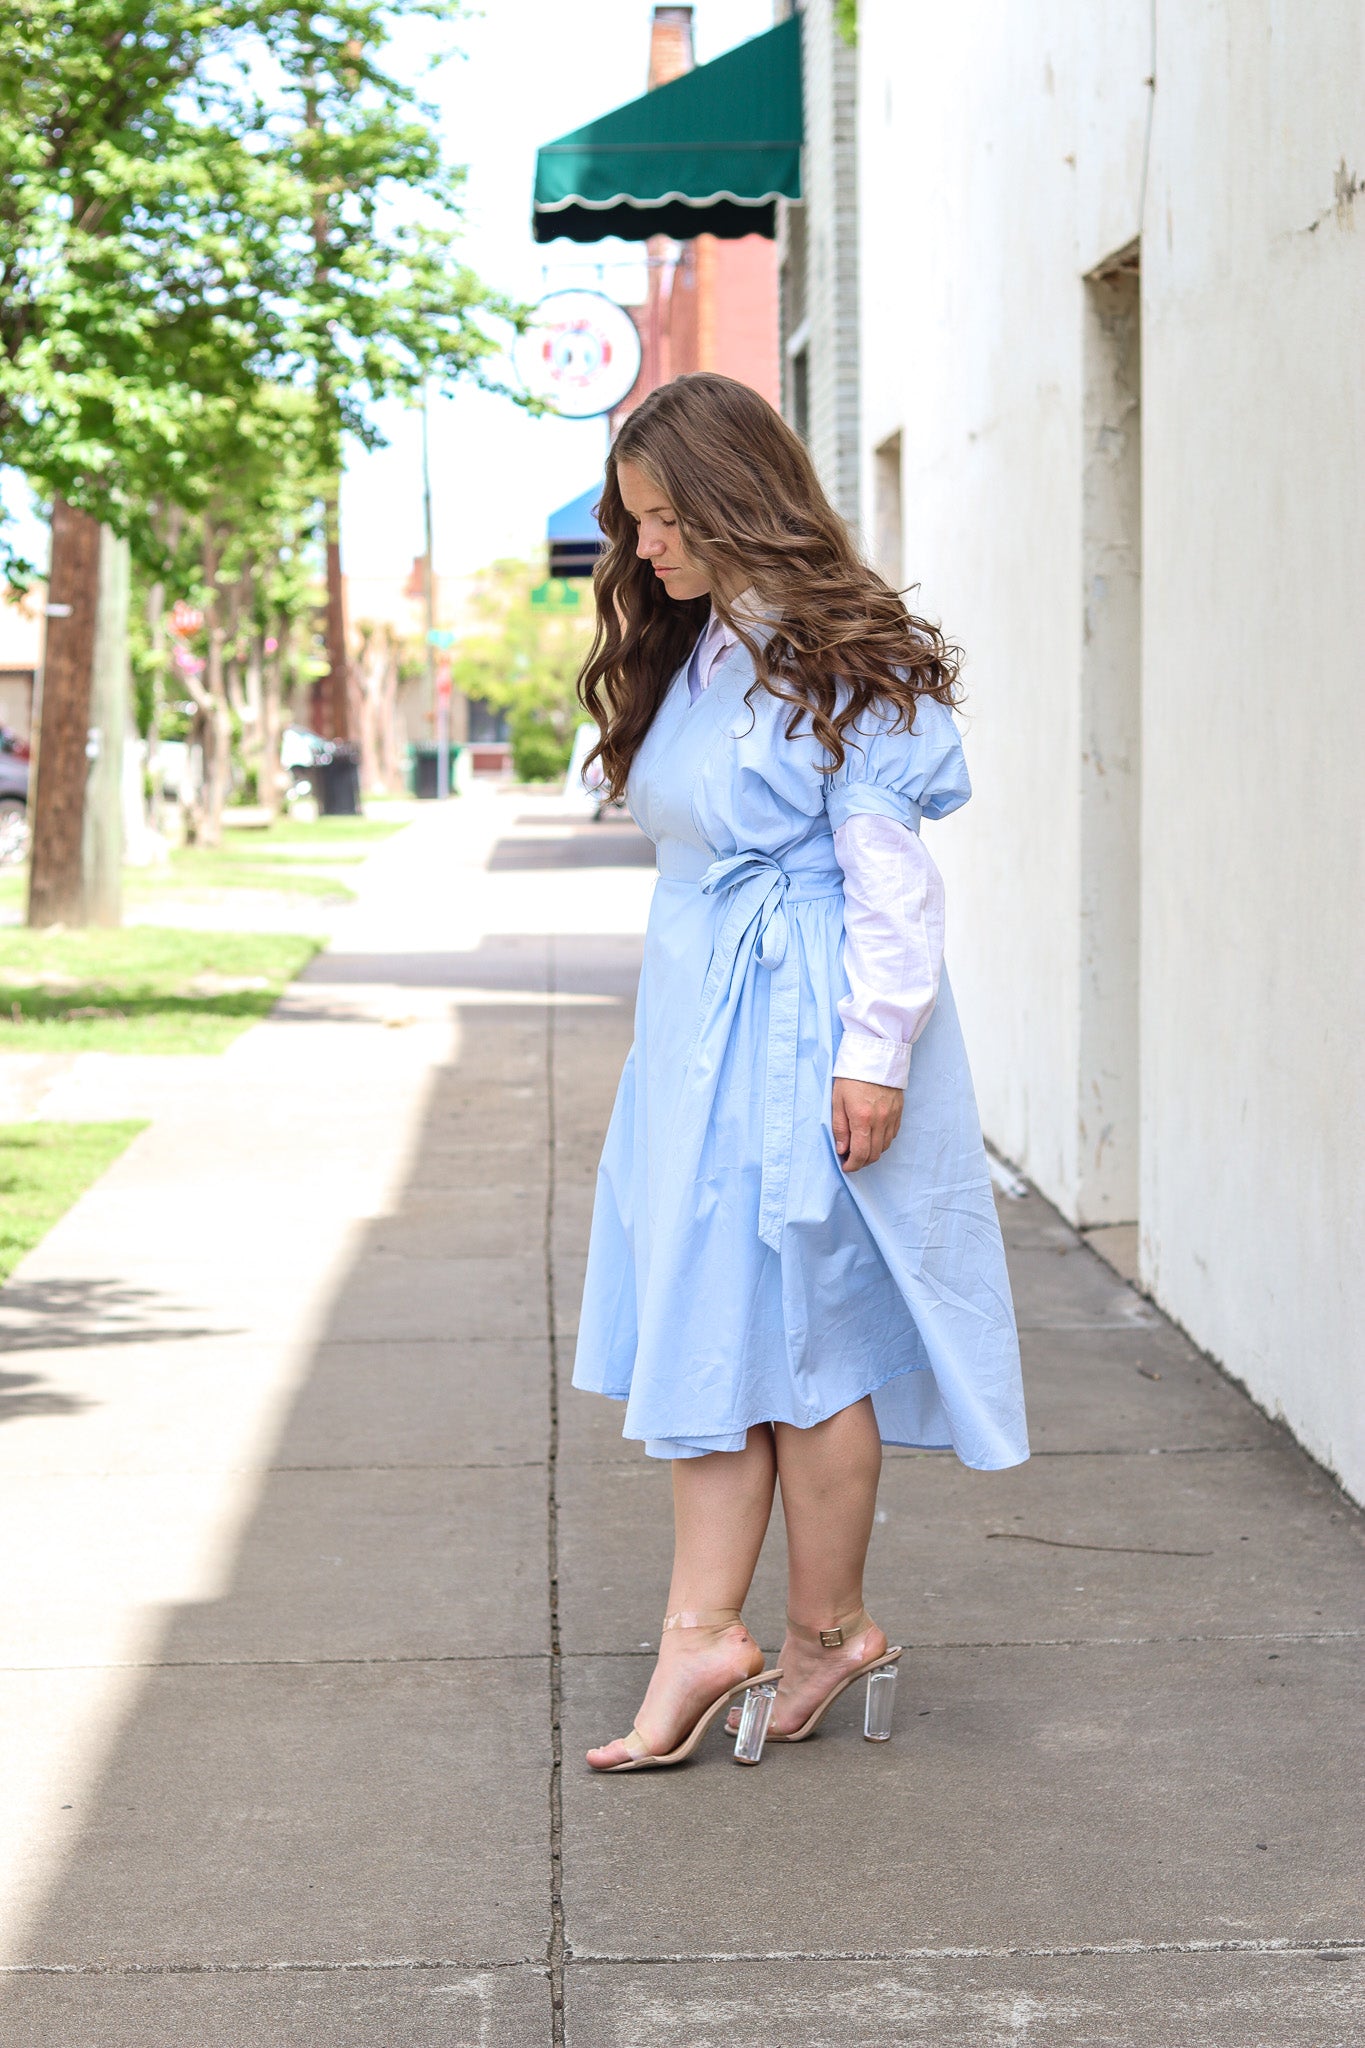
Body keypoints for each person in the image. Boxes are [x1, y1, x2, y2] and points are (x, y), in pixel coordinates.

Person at [572, 373, 1028, 1774]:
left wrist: (873, 1056)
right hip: (699, 1023)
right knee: (708, 1315)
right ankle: (720, 1630)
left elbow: (891, 884)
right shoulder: (700, 648)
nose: (642, 548)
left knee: (812, 1333)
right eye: (634, 523)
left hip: (803, 1023)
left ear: (728, 502)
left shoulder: (838, 659)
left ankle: (811, 1626)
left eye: (662, 520)